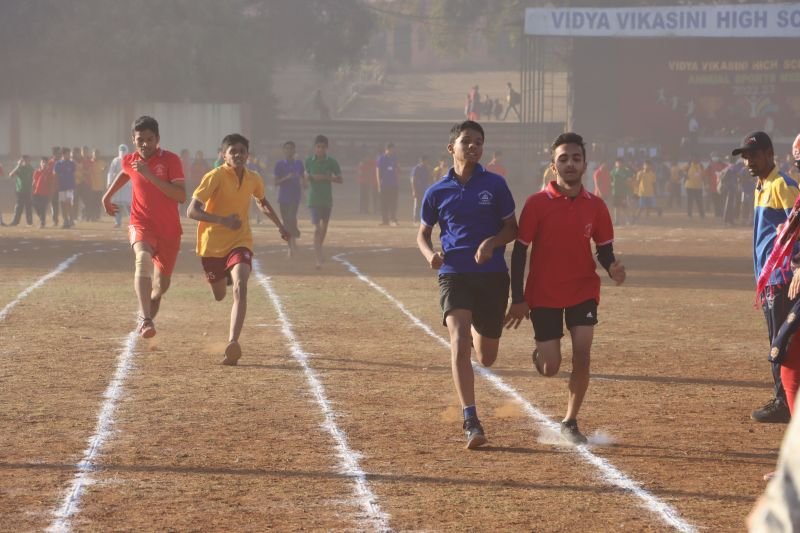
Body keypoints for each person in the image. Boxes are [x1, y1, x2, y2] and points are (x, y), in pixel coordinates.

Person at [505, 132, 626, 444]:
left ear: (584, 164)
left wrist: (611, 267)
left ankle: (570, 421)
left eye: (576, 158)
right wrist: (518, 297)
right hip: (543, 293)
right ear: (553, 165)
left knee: (582, 356)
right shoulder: (536, 204)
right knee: (550, 367)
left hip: (583, 290)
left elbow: (604, 249)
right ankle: (542, 356)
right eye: (563, 159)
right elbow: (519, 252)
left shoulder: (596, 206)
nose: (570, 164)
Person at [416, 120, 518, 449]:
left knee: (486, 357)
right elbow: (422, 234)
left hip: (492, 275)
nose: (473, 146)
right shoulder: (436, 191)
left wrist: (491, 242)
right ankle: (471, 420)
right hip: (454, 273)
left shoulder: (496, 185)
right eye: (466, 141)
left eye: (478, 142)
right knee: (458, 342)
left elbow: (512, 228)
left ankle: (477, 327)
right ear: (452, 148)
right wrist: (430, 255)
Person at [187, 133, 289, 365]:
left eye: (242, 151)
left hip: (240, 240)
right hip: (212, 246)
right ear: (224, 155)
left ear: (248, 155)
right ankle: (225, 276)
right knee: (220, 295)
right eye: (233, 151)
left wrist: (280, 225)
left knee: (241, 286)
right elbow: (191, 211)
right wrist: (222, 220)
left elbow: (262, 202)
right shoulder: (214, 177)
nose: (238, 155)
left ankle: (233, 342)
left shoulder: (254, 178)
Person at [102, 115, 186, 339]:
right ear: (133, 139)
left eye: (149, 139)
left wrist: (148, 174)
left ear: (157, 139)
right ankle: (146, 319)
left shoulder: (171, 160)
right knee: (142, 258)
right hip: (141, 224)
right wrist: (107, 196)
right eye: (140, 140)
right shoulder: (129, 160)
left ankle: (152, 304)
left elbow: (180, 196)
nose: (145, 144)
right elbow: (125, 173)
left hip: (169, 231)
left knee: (161, 287)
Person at [735, 131, 797, 424]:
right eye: (745, 157)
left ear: (770, 154)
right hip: (769, 278)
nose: (749, 161)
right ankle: (784, 397)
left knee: (780, 341)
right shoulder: (763, 186)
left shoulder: (782, 185)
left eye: (754, 155)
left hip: (782, 278)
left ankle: (783, 402)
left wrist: (796, 267)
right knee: (778, 338)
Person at [304, 134, 342, 269]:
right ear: (315, 147)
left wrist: (328, 178)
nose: (320, 149)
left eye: (323, 147)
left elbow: (340, 179)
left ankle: (319, 250)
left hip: (326, 200)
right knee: (317, 228)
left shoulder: (332, 162)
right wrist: (309, 178)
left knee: (324, 228)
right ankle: (318, 258)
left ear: (327, 148)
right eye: (318, 147)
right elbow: (305, 177)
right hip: (314, 199)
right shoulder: (309, 161)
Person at [274, 140, 304, 258]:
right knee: (286, 222)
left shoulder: (299, 164)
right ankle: (291, 243)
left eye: (291, 148)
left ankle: (292, 244)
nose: (288, 151)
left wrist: (305, 185)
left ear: (294, 150)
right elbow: (276, 182)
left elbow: (303, 178)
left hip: (295, 196)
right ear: (283, 150)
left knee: (291, 218)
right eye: (286, 148)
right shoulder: (279, 164)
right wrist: (286, 178)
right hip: (283, 197)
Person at [107, 144, 132, 228]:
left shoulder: (130, 160)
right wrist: (109, 183)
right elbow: (110, 172)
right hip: (117, 186)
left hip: (127, 186)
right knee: (116, 204)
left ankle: (133, 221)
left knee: (129, 205)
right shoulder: (115, 160)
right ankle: (117, 222)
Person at [376, 142, 399, 226]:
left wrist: (397, 179)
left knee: (393, 202)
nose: (393, 151)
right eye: (392, 149)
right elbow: (378, 171)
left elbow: (396, 169)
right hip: (384, 184)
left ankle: (393, 219)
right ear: (388, 149)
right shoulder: (381, 158)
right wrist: (379, 184)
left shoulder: (394, 158)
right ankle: (385, 220)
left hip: (393, 184)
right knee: (384, 203)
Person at [54, 147, 76, 229]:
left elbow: (73, 173)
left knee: (69, 203)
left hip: (69, 187)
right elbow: (55, 174)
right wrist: (56, 186)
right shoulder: (58, 164)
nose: (69, 155)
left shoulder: (72, 163)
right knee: (63, 204)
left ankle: (71, 220)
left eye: (69, 154)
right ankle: (65, 220)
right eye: (67, 154)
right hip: (61, 187)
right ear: (63, 154)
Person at [9, 155, 34, 226]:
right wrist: (18, 166)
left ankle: (29, 221)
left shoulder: (31, 169)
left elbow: (34, 178)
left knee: (28, 206)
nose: (26, 162)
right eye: (24, 160)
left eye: (27, 160)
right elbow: (11, 175)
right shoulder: (19, 168)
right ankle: (15, 221)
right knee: (19, 206)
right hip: (20, 190)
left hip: (28, 190)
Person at [609, 158, 632, 225]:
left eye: (620, 162)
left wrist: (628, 181)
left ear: (622, 163)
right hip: (615, 192)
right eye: (617, 162)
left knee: (624, 206)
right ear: (615, 163)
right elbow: (610, 179)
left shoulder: (625, 170)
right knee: (616, 207)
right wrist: (611, 183)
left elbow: (631, 176)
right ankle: (616, 221)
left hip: (622, 192)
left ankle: (628, 220)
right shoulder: (613, 171)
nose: (618, 164)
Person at [31, 157, 52, 228]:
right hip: (37, 192)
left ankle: (42, 222)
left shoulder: (49, 172)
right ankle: (41, 218)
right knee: (35, 205)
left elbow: (51, 182)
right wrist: (32, 189)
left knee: (43, 207)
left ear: (47, 164)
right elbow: (34, 181)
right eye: (42, 162)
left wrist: (50, 192)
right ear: (40, 163)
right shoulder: (37, 171)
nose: (44, 164)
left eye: (45, 162)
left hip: (46, 193)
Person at [410, 155, 430, 223]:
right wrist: (414, 190)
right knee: (417, 204)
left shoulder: (426, 168)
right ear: (422, 161)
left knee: (424, 204)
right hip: (418, 189)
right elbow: (413, 180)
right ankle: (416, 219)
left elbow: (428, 179)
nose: (427, 162)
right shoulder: (416, 168)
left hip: (425, 189)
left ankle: (423, 218)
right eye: (426, 161)